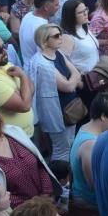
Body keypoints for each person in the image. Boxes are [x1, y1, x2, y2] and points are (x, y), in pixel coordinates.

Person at [29, 24, 84, 161]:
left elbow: (75, 72)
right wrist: (73, 79)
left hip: (69, 108)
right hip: (57, 113)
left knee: (70, 144)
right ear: (44, 41)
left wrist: (73, 78)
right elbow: (69, 86)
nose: (61, 38)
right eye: (56, 36)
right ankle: (61, 179)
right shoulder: (43, 64)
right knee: (61, 151)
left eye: (60, 34)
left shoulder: (57, 53)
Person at [19, 0, 58, 66]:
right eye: (56, 5)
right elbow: (46, 57)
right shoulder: (43, 28)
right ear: (46, 7)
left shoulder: (29, 15)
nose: (58, 7)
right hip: (37, 71)